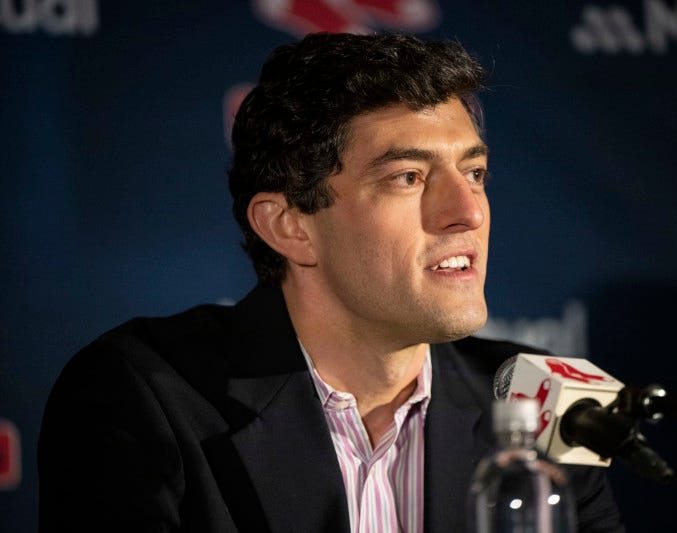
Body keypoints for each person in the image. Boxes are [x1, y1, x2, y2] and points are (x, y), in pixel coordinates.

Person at [38, 33, 624, 532]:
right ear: (290, 227)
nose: (467, 211)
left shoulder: (539, 403)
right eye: (408, 176)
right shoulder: (144, 395)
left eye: (474, 172)